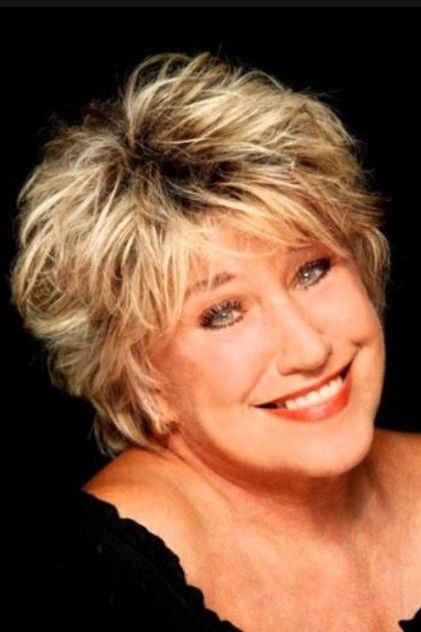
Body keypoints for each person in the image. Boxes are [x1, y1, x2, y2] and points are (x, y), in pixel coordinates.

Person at [10, 52, 421, 631]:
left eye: (312, 271)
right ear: (140, 377)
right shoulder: (97, 583)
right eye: (223, 313)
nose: (309, 350)